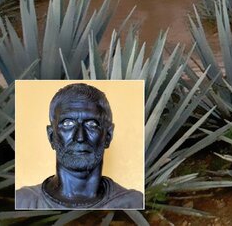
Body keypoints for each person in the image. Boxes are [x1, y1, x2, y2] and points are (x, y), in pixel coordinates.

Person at [14, 83, 144, 210]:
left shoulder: (134, 203)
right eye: (67, 124)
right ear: (51, 136)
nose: (80, 137)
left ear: (108, 135)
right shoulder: (22, 201)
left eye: (92, 124)